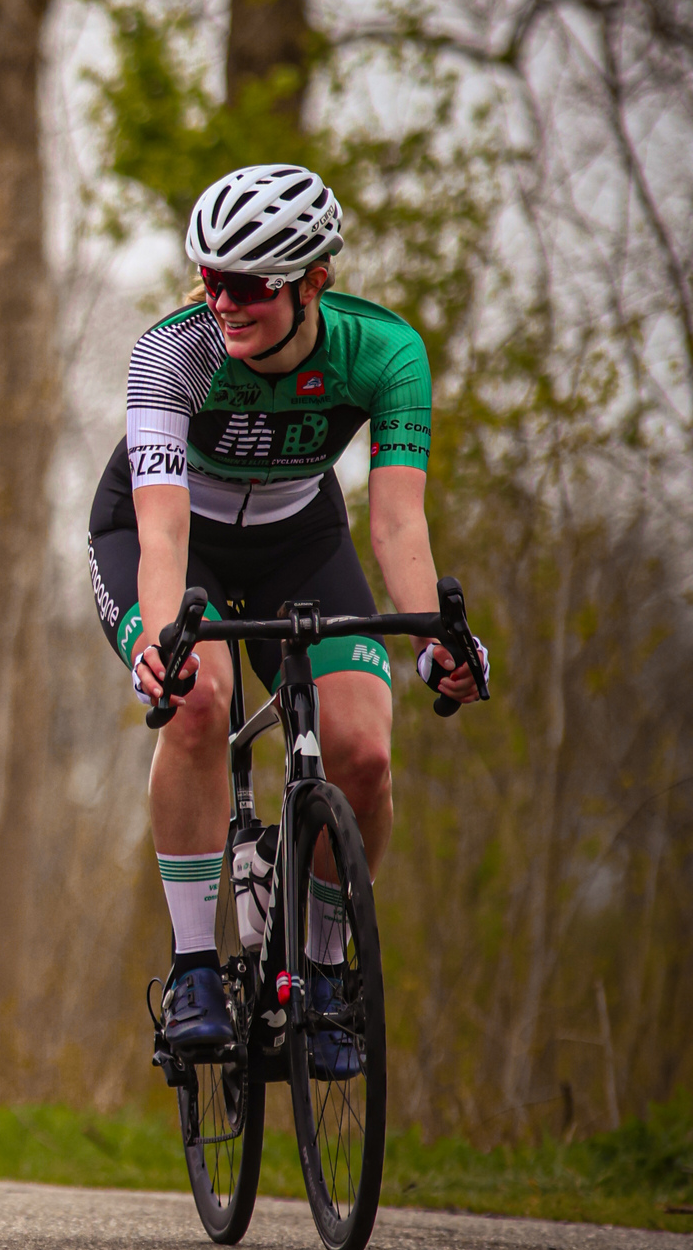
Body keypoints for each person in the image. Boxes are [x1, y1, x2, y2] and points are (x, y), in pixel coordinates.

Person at [87, 162, 488, 1065]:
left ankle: (324, 971)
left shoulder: (384, 353)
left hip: (298, 536)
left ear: (313, 280)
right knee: (197, 701)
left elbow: (394, 521)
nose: (221, 303)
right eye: (209, 278)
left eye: (248, 286)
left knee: (364, 748)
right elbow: (159, 532)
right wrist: (163, 639)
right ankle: (195, 967)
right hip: (170, 534)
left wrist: (436, 639)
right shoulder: (170, 354)